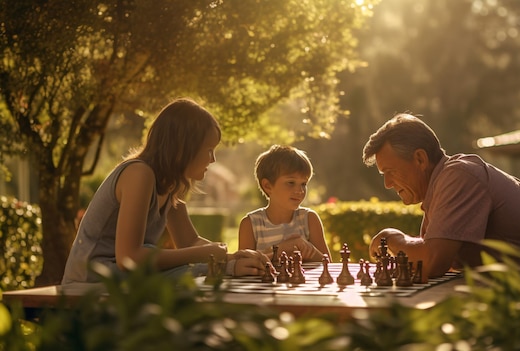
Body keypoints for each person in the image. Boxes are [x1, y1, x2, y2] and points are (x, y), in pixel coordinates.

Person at [62, 98, 270, 284]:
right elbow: (129, 258)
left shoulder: (171, 185)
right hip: (92, 281)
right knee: (178, 269)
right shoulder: (139, 174)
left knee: (180, 268)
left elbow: (189, 241)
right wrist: (208, 258)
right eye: (208, 149)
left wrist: (232, 256)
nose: (213, 159)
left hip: (124, 277)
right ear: (183, 147)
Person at [363, 113, 520, 277]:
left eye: (390, 172)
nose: (387, 184)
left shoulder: (458, 175)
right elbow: (437, 259)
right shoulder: (442, 184)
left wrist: (391, 239)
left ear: (420, 159)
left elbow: (430, 264)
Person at [238, 145, 331, 262]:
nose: (300, 191)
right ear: (267, 186)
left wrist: (310, 250)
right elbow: (244, 266)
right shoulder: (251, 224)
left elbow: (328, 266)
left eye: (303, 184)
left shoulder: (309, 219)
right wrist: (281, 249)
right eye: (291, 182)